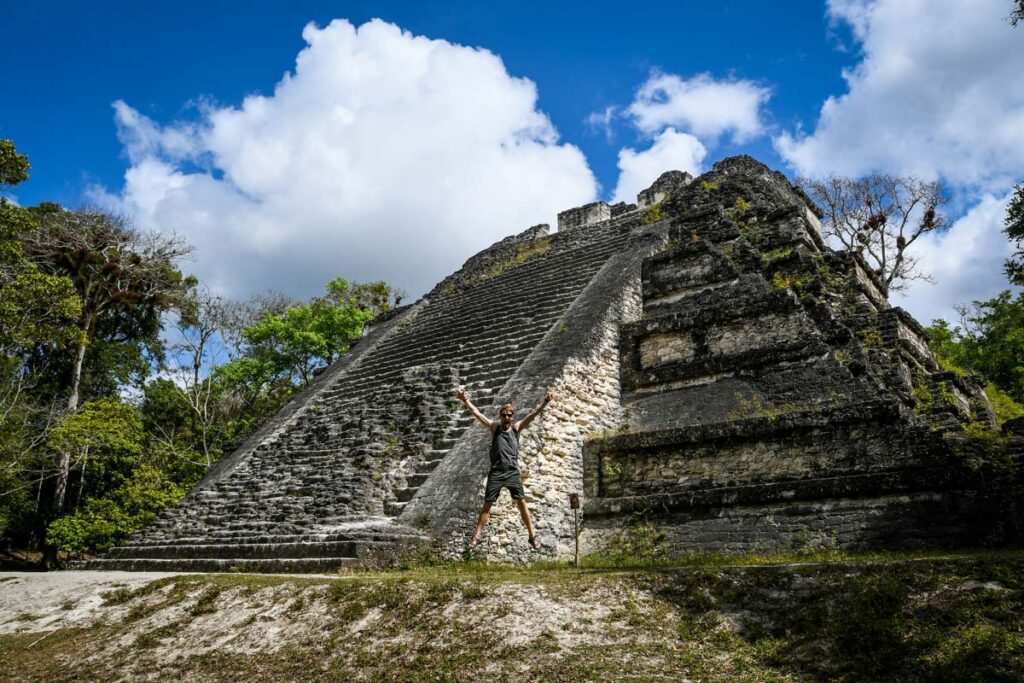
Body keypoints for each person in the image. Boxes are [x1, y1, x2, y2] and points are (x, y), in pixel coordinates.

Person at [454, 387, 555, 550]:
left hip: (512, 472)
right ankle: (477, 536)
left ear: (512, 416)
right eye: (504, 415)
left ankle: (532, 536)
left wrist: (546, 401)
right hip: (496, 472)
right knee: (487, 504)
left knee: (521, 503)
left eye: (509, 415)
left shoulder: (516, 428)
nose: (507, 417)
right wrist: (464, 399)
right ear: (500, 416)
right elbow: (477, 414)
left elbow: (533, 414)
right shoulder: (494, 428)